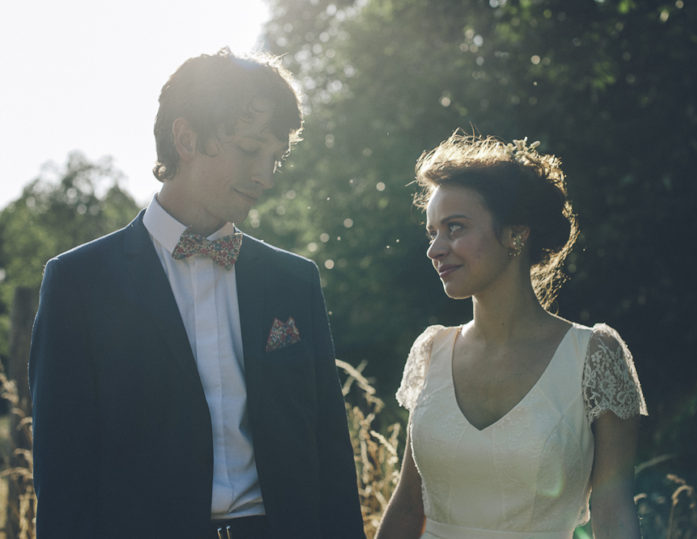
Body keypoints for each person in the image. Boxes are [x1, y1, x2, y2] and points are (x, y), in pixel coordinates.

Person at [29, 49, 364, 539]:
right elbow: (62, 475)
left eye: (275, 157)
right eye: (250, 150)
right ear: (186, 138)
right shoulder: (78, 283)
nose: (265, 176)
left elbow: (331, 457)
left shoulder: (295, 281)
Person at [376, 132, 648, 539]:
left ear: (515, 235)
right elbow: (407, 505)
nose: (435, 248)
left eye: (454, 228)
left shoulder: (593, 356)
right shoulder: (431, 351)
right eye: (432, 232)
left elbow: (613, 511)